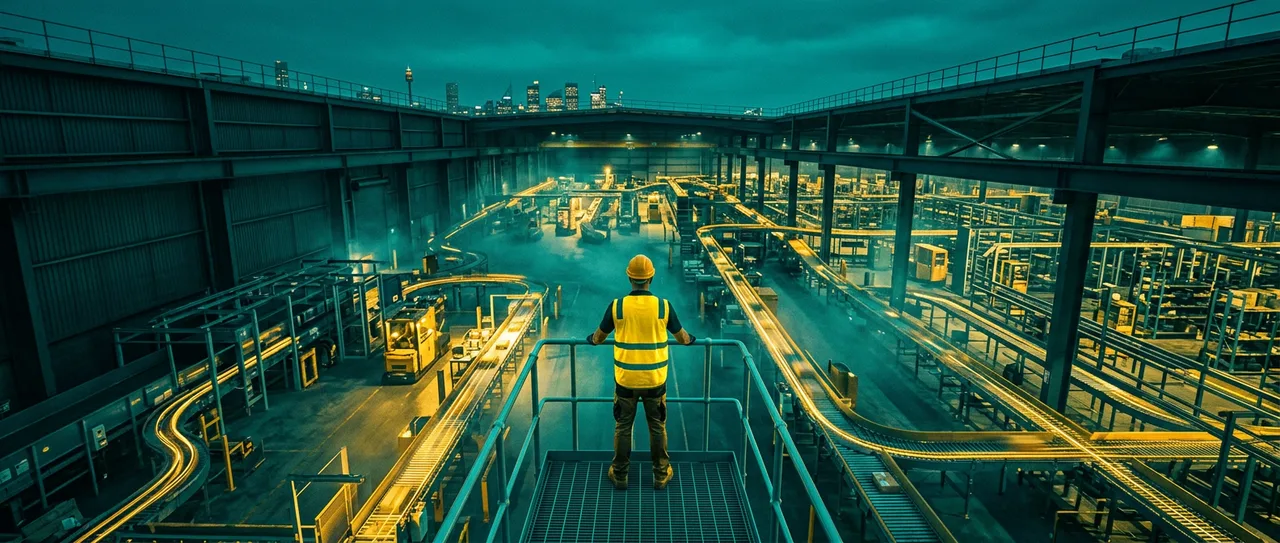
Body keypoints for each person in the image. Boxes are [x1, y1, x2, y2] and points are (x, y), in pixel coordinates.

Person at [587, 254, 696, 491]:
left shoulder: (617, 306)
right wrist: (691, 340)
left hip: (626, 380)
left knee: (623, 427)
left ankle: (620, 475)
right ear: (651, 278)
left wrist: (591, 340)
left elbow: (598, 337)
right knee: (657, 426)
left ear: (629, 278)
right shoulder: (663, 306)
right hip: (655, 380)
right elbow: (683, 337)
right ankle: (660, 475)